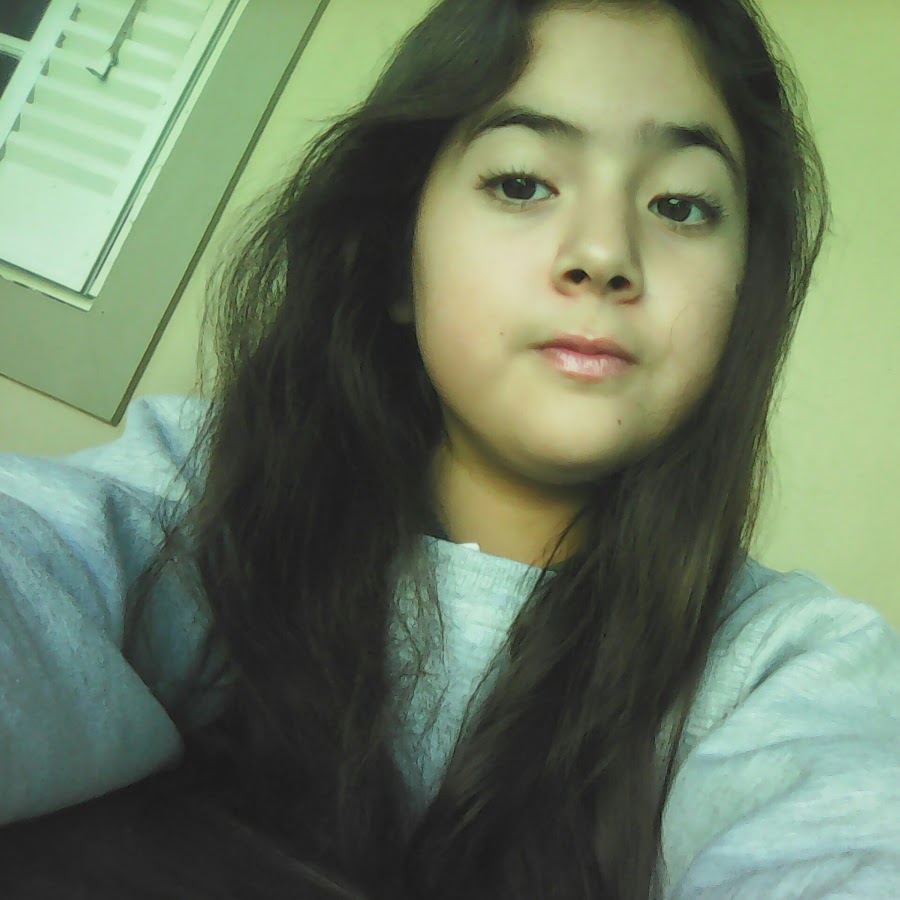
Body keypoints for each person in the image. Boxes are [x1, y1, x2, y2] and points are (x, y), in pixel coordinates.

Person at [1, 0, 898, 897]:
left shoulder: (789, 662)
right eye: (522, 184)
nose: (603, 253)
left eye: (680, 204)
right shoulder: (199, 491)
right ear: (398, 260)